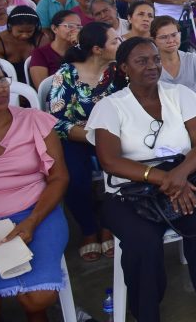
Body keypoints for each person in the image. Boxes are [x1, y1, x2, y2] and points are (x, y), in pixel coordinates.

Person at [86, 37, 196, 322]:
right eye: (141, 61)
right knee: (142, 242)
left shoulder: (178, 94)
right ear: (123, 67)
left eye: (155, 59)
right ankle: (147, 314)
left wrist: (178, 176)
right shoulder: (111, 106)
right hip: (128, 190)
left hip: (180, 178)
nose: (152, 66)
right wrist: (162, 178)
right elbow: (110, 161)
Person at [0, 57, 70, 322]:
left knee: (38, 297)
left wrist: (33, 220)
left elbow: (59, 177)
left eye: (1, 80)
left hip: (36, 212)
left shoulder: (35, 120)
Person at [49, 22, 120, 261]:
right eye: (114, 41)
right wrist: (91, 134)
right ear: (97, 49)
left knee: (124, 169)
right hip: (77, 137)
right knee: (74, 177)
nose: (119, 44)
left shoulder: (119, 71)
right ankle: (89, 228)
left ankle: (110, 224)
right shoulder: (67, 73)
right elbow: (57, 122)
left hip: (114, 136)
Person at [0, 6, 47, 84]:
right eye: (20, 31)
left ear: (35, 28)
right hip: (8, 83)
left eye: (29, 31)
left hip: (37, 80)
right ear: (10, 26)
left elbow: (47, 64)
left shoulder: (41, 39)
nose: (24, 35)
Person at [28, 10, 81, 88]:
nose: (75, 30)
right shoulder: (40, 54)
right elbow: (43, 89)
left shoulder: (80, 49)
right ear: (54, 29)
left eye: (79, 27)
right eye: (70, 26)